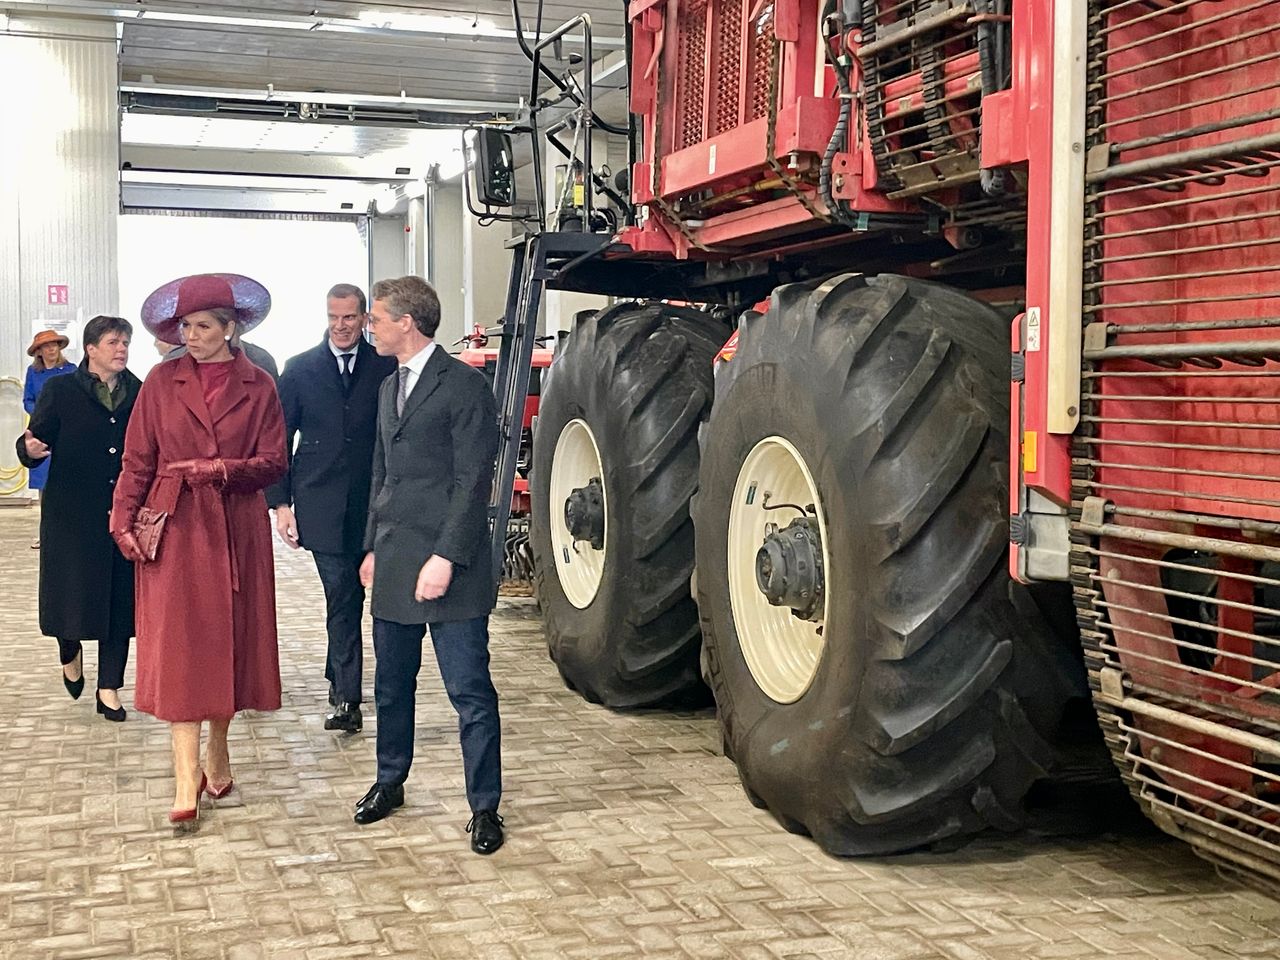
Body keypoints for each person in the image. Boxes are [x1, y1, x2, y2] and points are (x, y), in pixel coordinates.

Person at [110, 273, 286, 830]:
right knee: (182, 648)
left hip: (236, 527)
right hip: (175, 527)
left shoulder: (259, 385)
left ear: (231, 329)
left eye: (203, 326)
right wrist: (121, 519)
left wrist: (221, 471)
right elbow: (137, 458)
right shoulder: (160, 383)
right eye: (185, 325)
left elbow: (275, 461)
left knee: (229, 642)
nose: (191, 335)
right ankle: (186, 776)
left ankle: (218, 748)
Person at [354, 275, 504, 855]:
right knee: (391, 686)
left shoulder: (464, 386)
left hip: (450, 563)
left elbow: (473, 482)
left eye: (377, 318)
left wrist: (445, 556)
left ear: (406, 322)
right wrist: (370, 546)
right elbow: (379, 474)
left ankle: (484, 808)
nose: (370, 327)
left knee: (470, 692)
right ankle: (390, 782)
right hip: (393, 558)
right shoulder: (389, 386)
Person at [266, 283, 396, 733]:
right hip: (319, 503)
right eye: (333, 317)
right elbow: (278, 440)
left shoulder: (386, 366)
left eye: (349, 318)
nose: (340, 326)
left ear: (364, 319)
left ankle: (339, 675)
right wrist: (281, 504)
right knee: (341, 595)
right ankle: (347, 699)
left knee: (358, 597)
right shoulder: (300, 369)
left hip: (375, 503)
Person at [16, 316, 142, 721]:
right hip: (71, 512)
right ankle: (68, 647)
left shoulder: (138, 391)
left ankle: (110, 688)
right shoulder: (60, 390)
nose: (121, 349)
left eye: (125, 342)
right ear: (91, 349)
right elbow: (35, 439)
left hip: (122, 511)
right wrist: (28, 450)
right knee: (70, 594)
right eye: (112, 342)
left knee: (119, 600)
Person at [23, 329, 77, 546]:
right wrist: (40, 415)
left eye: (55, 345)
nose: (51, 349)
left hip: (67, 432)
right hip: (42, 434)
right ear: (39, 351)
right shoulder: (33, 372)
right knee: (44, 489)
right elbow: (27, 399)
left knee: (69, 482)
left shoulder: (71, 370)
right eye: (46, 346)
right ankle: (46, 534)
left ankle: (70, 533)